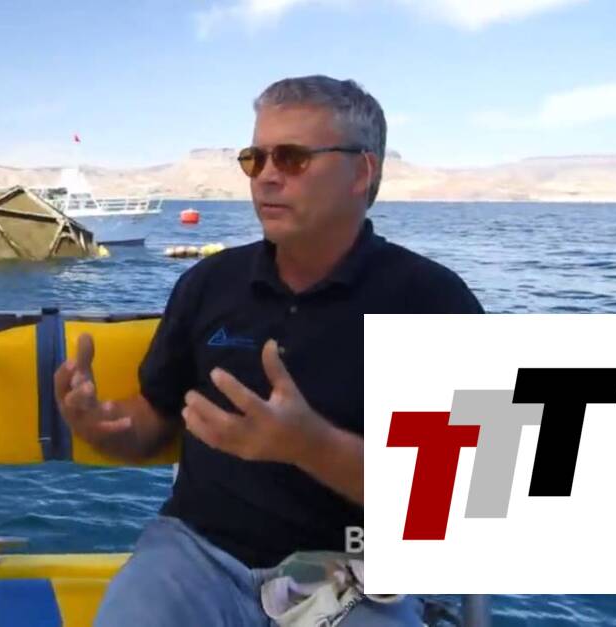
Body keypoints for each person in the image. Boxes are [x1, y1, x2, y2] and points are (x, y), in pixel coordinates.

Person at [54, 75, 483, 626]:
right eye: (254, 159)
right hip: (195, 556)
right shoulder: (207, 284)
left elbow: (467, 503)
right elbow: (154, 422)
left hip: (355, 573)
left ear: (361, 172)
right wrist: (101, 424)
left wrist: (310, 446)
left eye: (292, 158)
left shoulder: (434, 302)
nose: (266, 176)